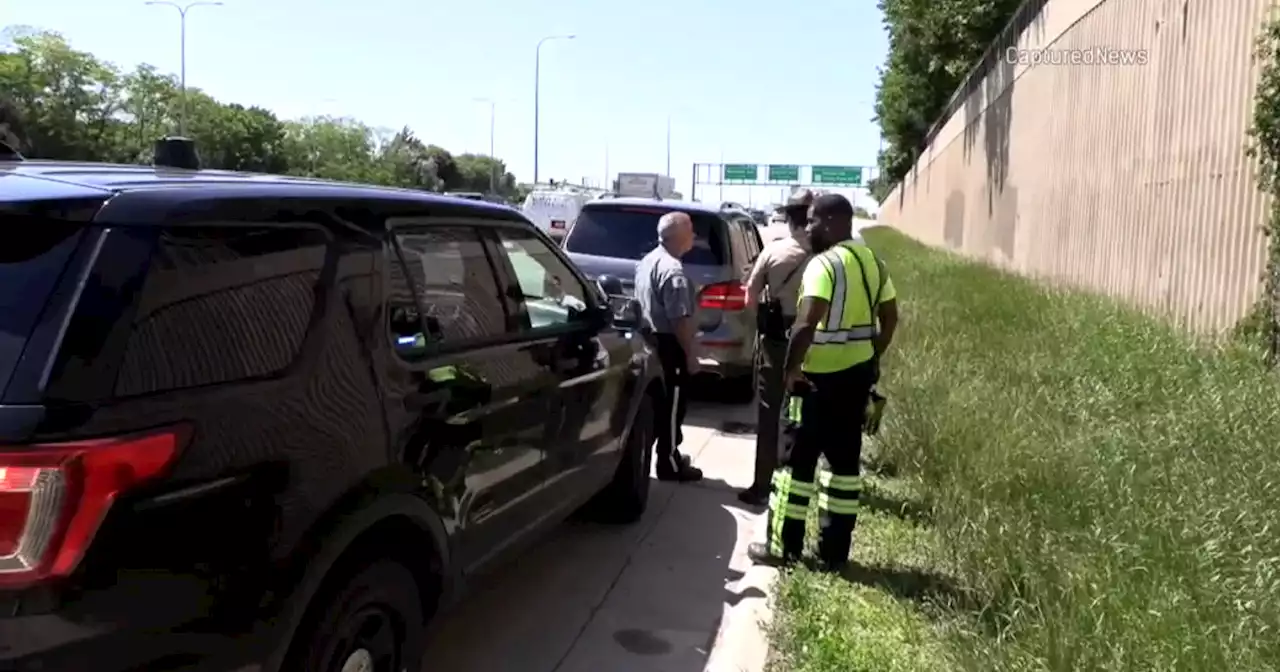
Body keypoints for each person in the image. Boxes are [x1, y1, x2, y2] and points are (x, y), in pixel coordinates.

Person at [748, 193, 899, 571]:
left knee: (792, 468)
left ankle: (784, 548)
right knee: (843, 468)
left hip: (813, 385)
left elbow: (805, 323)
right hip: (855, 383)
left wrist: (792, 370)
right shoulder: (873, 263)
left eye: (813, 220)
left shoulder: (824, 266)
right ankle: (834, 553)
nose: (808, 227)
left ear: (832, 222)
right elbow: (891, 318)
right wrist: (872, 355)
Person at [737, 189, 815, 506]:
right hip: (815, 343)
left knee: (770, 415)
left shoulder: (774, 252)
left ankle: (762, 485)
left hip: (776, 342)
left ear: (789, 219)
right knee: (808, 416)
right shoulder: (827, 256)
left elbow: (749, 297)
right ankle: (800, 485)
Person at [633, 211, 705, 482]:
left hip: (648, 340)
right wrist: (691, 355)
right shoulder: (672, 271)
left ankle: (656, 455)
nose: (694, 236)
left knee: (659, 406)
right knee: (673, 407)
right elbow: (679, 321)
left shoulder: (647, 262)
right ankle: (670, 462)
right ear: (679, 236)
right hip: (668, 345)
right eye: (691, 230)